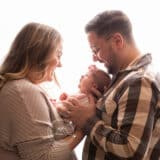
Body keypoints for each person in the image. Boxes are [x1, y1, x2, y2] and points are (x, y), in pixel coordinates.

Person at [57, 10, 160, 159]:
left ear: (117, 41)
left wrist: (87, 121)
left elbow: (130, 150)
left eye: (96, 50)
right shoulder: (123, 78)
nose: (94, 58)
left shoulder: (139, 81)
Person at [0, 22, 83, 160]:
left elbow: (49, 138)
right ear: (39, 53)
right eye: (58, 54)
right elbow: (43, 157)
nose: (60, 63)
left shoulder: (19, 89)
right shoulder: (22, 91)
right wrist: (82, 129)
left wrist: (66, 118)